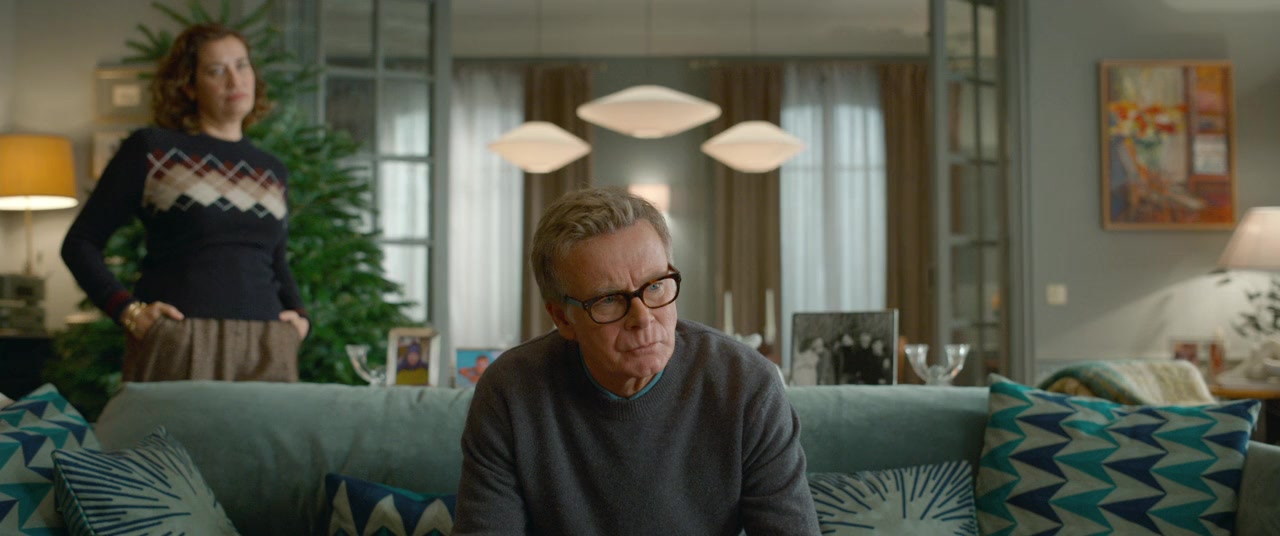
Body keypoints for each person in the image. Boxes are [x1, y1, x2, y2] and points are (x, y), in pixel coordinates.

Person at [453, 188, 819, 535]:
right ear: (563, 318)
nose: (643, 318)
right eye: (609, 299)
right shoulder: (510, 392)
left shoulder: (747, 385)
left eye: (655, 286)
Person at [62, 23, 307, 382]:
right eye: (216, 70)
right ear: (189, 86)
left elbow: (275, 259)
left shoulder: (272, 170)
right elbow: (80, 243)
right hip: (180, 340)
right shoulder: (154, 151)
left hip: (269, 345)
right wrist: (129, 312)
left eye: (242, 65)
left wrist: (300, 317)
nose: (235, 80)